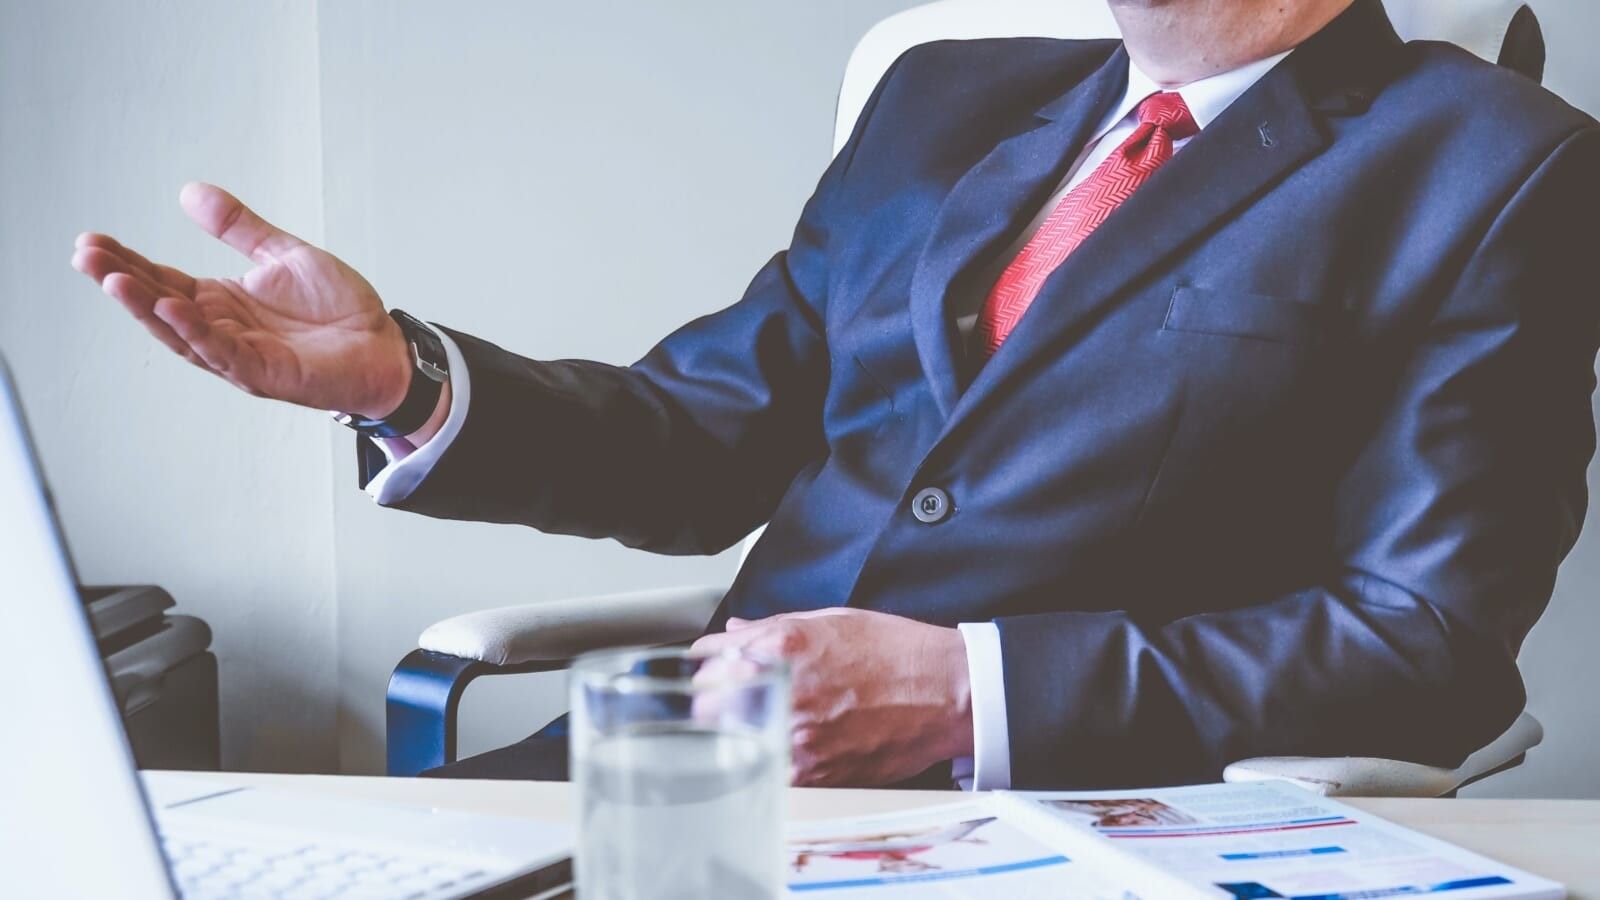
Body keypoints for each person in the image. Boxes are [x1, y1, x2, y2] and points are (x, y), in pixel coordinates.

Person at [71, 0, 1600, 791]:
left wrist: (965, 697)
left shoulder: (1498, 163)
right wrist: (408, 378)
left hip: (1057, 821)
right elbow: (701, 440)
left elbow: (1429, 643)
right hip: (686, 780)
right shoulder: (950, 96)